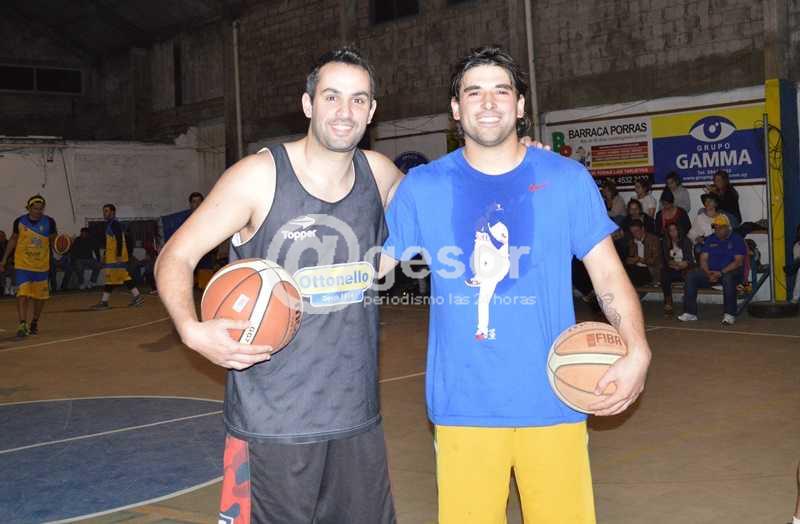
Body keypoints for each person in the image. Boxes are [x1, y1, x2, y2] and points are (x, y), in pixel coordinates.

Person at [380, 46, 651, 524]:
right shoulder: (423, 187)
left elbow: (607, 272)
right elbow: (371, 267)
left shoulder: (566, 179)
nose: (488, 103)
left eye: (501, 91)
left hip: (555, 398)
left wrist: (638, 348)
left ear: (521, 104)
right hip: (463, 405)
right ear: (455, 108)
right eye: (474, 92)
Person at [155, 47, 401, 523]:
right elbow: (176, 255)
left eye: (358, 100)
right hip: (273, 422)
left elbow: (442, 198)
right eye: (331, 97)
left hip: (356, 418)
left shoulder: (380, 173)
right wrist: (189, 328)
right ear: (308, 104)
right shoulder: (259, 176)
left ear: (371, 111)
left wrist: (519, 153)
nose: (344, 111)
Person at [0, 195, 57, 338]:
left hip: (41, 266)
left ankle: (34, 322)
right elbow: (13, 239)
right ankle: (22, 324)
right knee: (22, 294)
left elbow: (54, 241)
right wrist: (4, 260)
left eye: (41, 209)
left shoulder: (49, 222)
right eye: (35, 208)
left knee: (40, 298)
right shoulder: (19, 221)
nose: (38, 211)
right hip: (22, 265)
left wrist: (61, 246)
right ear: (29, 208)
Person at [678, 214, 746, 325]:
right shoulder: (711, 239)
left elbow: (738, 262)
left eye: (720, 228)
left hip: (731, 272)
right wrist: (708, 273)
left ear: (727, 228)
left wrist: (721, 273)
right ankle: (690, 313)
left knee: (728, 277)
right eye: (715, 227)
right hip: (711, 272)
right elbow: (703, 259)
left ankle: (729, 314)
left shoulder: (736, 239)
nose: (717, 230)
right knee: (691, 275)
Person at [90, 204, 144, 309]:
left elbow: (119, 240)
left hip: (116, 258)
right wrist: (105, 254)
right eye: (104, 211)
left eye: (106, 211)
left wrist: (119, 255)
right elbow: (110, 242)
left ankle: (104, 302)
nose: (104, 213)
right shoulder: (110, 224)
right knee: (123, 277)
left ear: (113, 212)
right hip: (112, 257)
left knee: (111, 279)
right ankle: (137, 297)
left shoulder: (115, 224)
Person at [660, 222, 695, 314]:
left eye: (674, 230)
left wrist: (681, 265)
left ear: (679, 230)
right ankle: (668, 301)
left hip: (685, 267)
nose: (672, 233)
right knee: (664, 273)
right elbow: (666, 259)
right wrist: (673, 264)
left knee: (689, 274)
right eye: (670, 231)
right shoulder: (665, 241)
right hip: (672, 267)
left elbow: (689, 259)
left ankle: (687, 301)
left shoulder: (686, 241)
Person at [623, 219, 661, 287]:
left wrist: (639, 259)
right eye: (632, 232)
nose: (634, 234)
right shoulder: (632, 241)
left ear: (642, 229)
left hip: (650, 269)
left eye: (636, 231)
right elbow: (630, 257)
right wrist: (629, 260)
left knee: (633, 276)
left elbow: (654, 261)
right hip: (637, 268)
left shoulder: (653, 240)